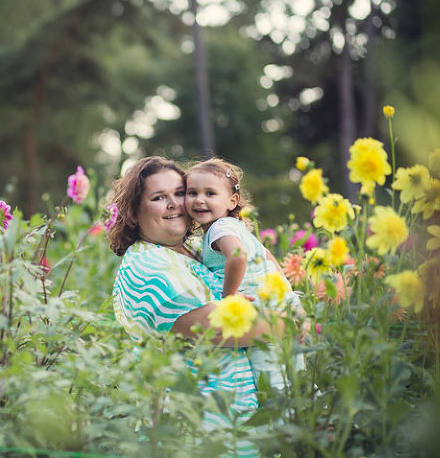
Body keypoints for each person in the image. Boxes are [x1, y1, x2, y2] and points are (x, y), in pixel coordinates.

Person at [108, 156, 284, 457]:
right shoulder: (144, 268)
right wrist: (291, 319)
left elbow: (261, 262)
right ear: (134, 212)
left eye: (179, 192)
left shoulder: (196, 249)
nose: (175, 203)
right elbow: (226, 331)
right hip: (195, 437)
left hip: (242, 431)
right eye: (158, 197)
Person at [184, 157, 304, 389]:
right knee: (298, 380)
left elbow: (237, 257)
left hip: (260, 308)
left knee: (272, 382)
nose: (199, 200)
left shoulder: (219, 228)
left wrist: (228, 298)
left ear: (232, 200)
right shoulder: (235, 227)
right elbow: (267, 254)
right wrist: (286, 292)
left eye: (210, 193)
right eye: (192, 193)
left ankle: (284, 420)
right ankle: (315, 419)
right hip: (279, 301)